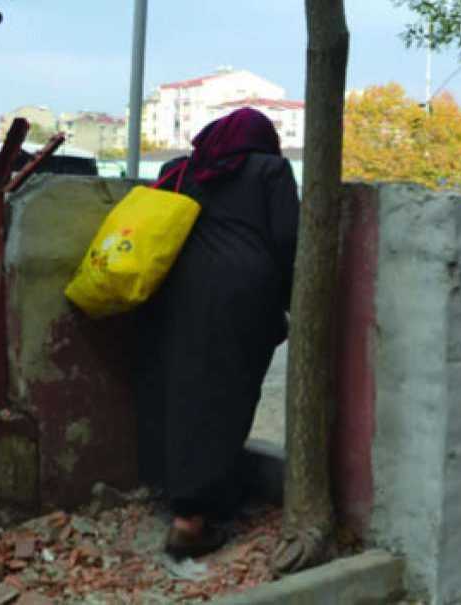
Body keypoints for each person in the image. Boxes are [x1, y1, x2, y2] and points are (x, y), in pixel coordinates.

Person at [131, 108, 300, 559]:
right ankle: (191, 520)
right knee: (225, 400)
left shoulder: (181, 168)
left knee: (178, 393)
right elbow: (288, 240)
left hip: (172, 292)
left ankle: (183, 493)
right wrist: (290, 303)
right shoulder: (271, 170)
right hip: (241, 297)